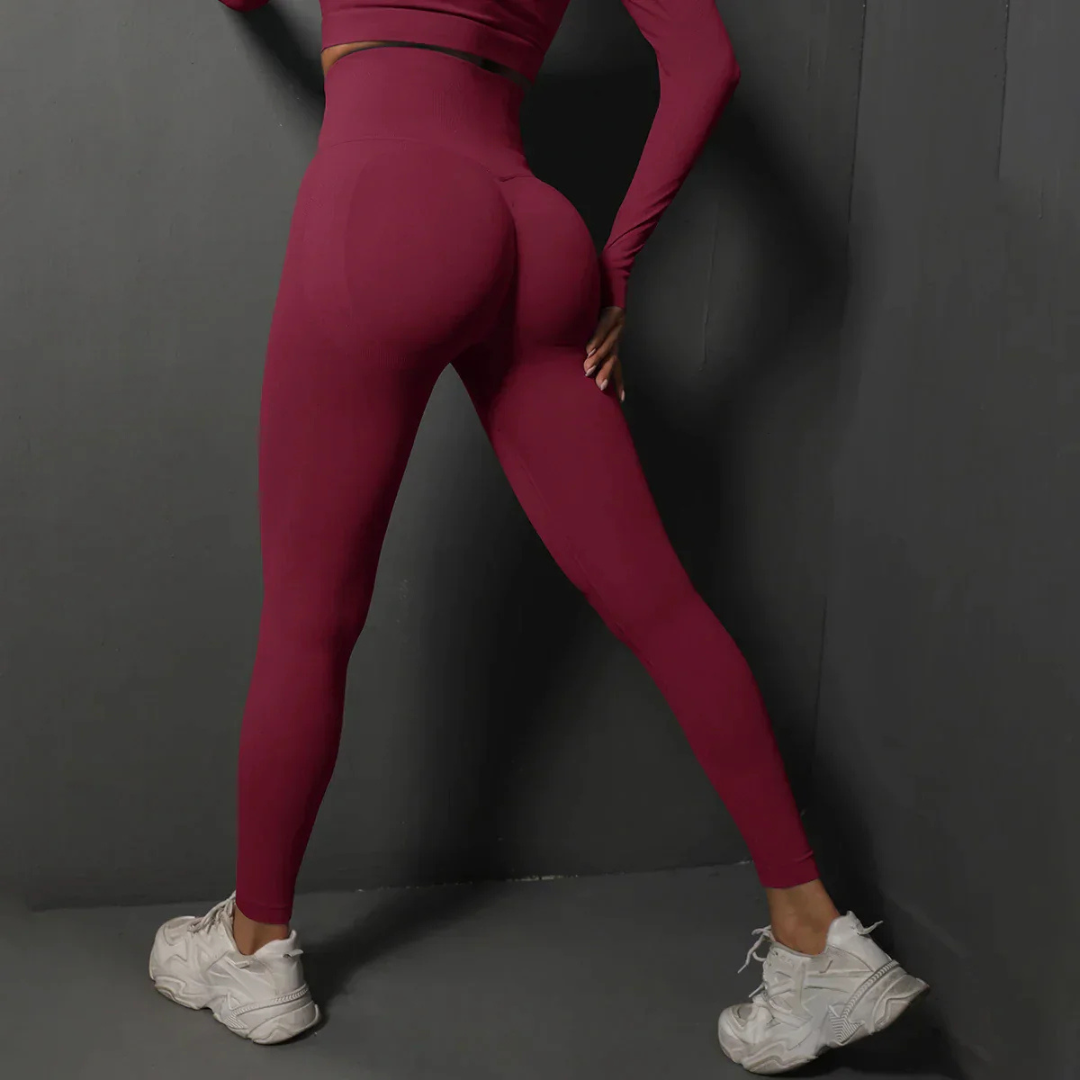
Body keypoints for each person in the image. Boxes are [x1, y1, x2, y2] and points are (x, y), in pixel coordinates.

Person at [148, 0, 928, 1072]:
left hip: (385, 204)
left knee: (310, 615)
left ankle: (254, 947)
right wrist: (618, 260)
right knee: (661, 603)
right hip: (535, 230)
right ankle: (816, 933)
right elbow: (706, 64)